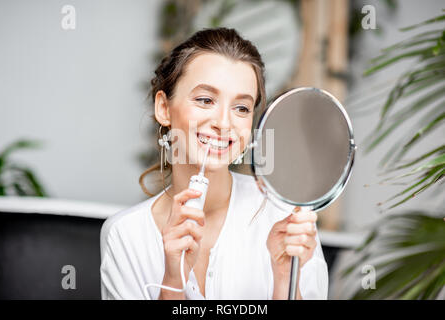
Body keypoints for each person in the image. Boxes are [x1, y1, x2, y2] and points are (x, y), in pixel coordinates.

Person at [100, 27, 328, 300]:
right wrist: (173, 281)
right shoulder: (125, 235)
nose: (223, 123)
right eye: (205, 100)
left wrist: (283, 281)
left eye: (241, 108)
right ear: (164, 108)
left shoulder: (286, 217)